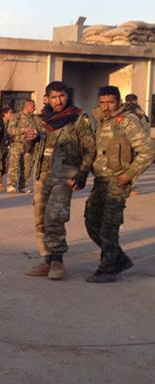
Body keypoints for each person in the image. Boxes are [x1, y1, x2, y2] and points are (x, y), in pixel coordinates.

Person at [25, 81, 95, 280]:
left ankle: (58, 261)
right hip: (42, 175)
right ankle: (47, 259)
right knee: (40, 220)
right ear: (47, 98)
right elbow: (29, 150)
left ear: (68, 96)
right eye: (54, 97)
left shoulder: (78, 118)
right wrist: (30, 140)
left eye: (62, 96)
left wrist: (82, 174)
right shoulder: (41, 120)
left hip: (64, 176)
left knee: (55, 217)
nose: (59, 101)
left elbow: (90, 149)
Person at [84, 86, 154, 283]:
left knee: (109, 226)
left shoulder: (127, 122)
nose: (106, 106)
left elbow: (148, 151)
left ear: (119, 102)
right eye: (103, 102)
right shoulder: (100, 121)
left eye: (110, 102)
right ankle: (119, 259)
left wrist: (129, 174)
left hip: (117, 182)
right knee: (91, 221)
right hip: (100, 181)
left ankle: (108, 269)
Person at [6, 99, 42, 193]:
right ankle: (11, 184)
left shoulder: (36, 118)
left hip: (30, 146)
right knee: (14, 165)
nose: (35, 108)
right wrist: (24, 130)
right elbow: (10, 130)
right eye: (33, 106)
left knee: (27, 167)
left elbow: (41, 131)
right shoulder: (16, 116)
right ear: (27, 106)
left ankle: (23, 185)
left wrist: (35, 134)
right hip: (17, 144)